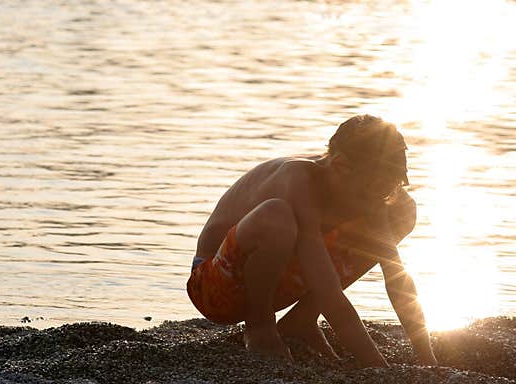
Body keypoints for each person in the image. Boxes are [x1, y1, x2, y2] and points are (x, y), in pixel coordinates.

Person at [186, 114, 437, 368]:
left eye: (384, 192)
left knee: (402, 209)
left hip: (278, 280)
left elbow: (397, 279)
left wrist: (428, 360)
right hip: (215, 286)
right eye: (369, 192)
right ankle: (259, 326)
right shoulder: (298, 179)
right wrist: (377, 367)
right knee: (277, 216)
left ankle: (300, 322)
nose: (375, 203)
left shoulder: (371, 194)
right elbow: (328, 291)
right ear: (339, 166)